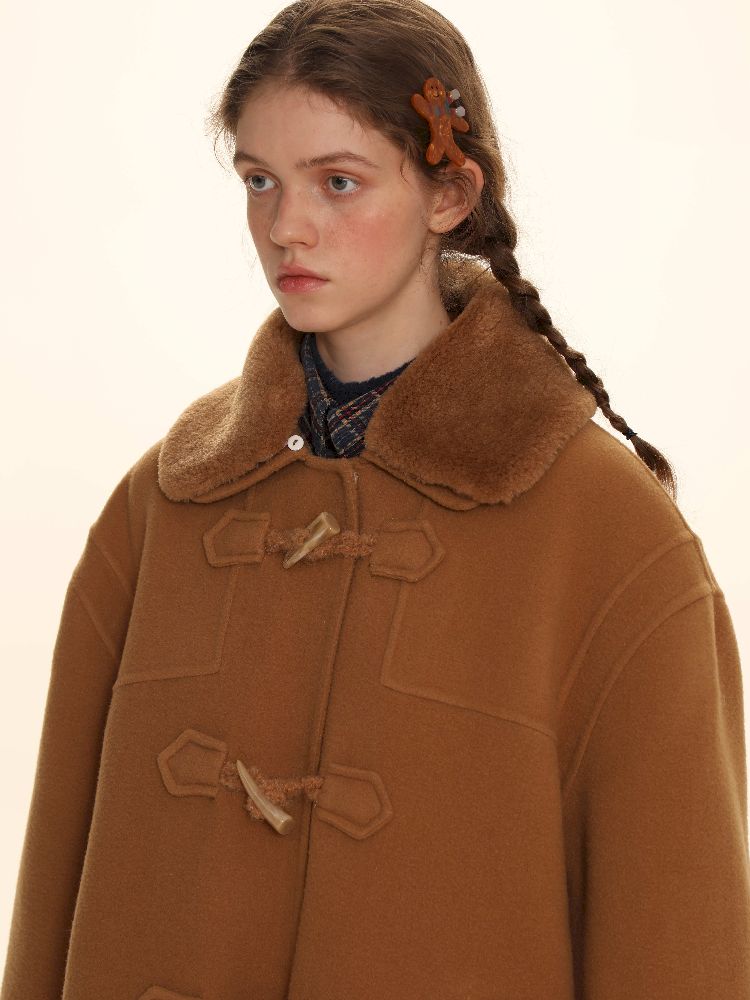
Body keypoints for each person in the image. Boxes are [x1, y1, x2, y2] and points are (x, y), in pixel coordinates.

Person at [2, 0, 749, 997]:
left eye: (338, 181)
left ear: (450, 193)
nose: (285, 226)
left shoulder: (608, 535)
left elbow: (681, 939)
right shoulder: (163, 506)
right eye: (259, 180)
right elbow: (52, 887)